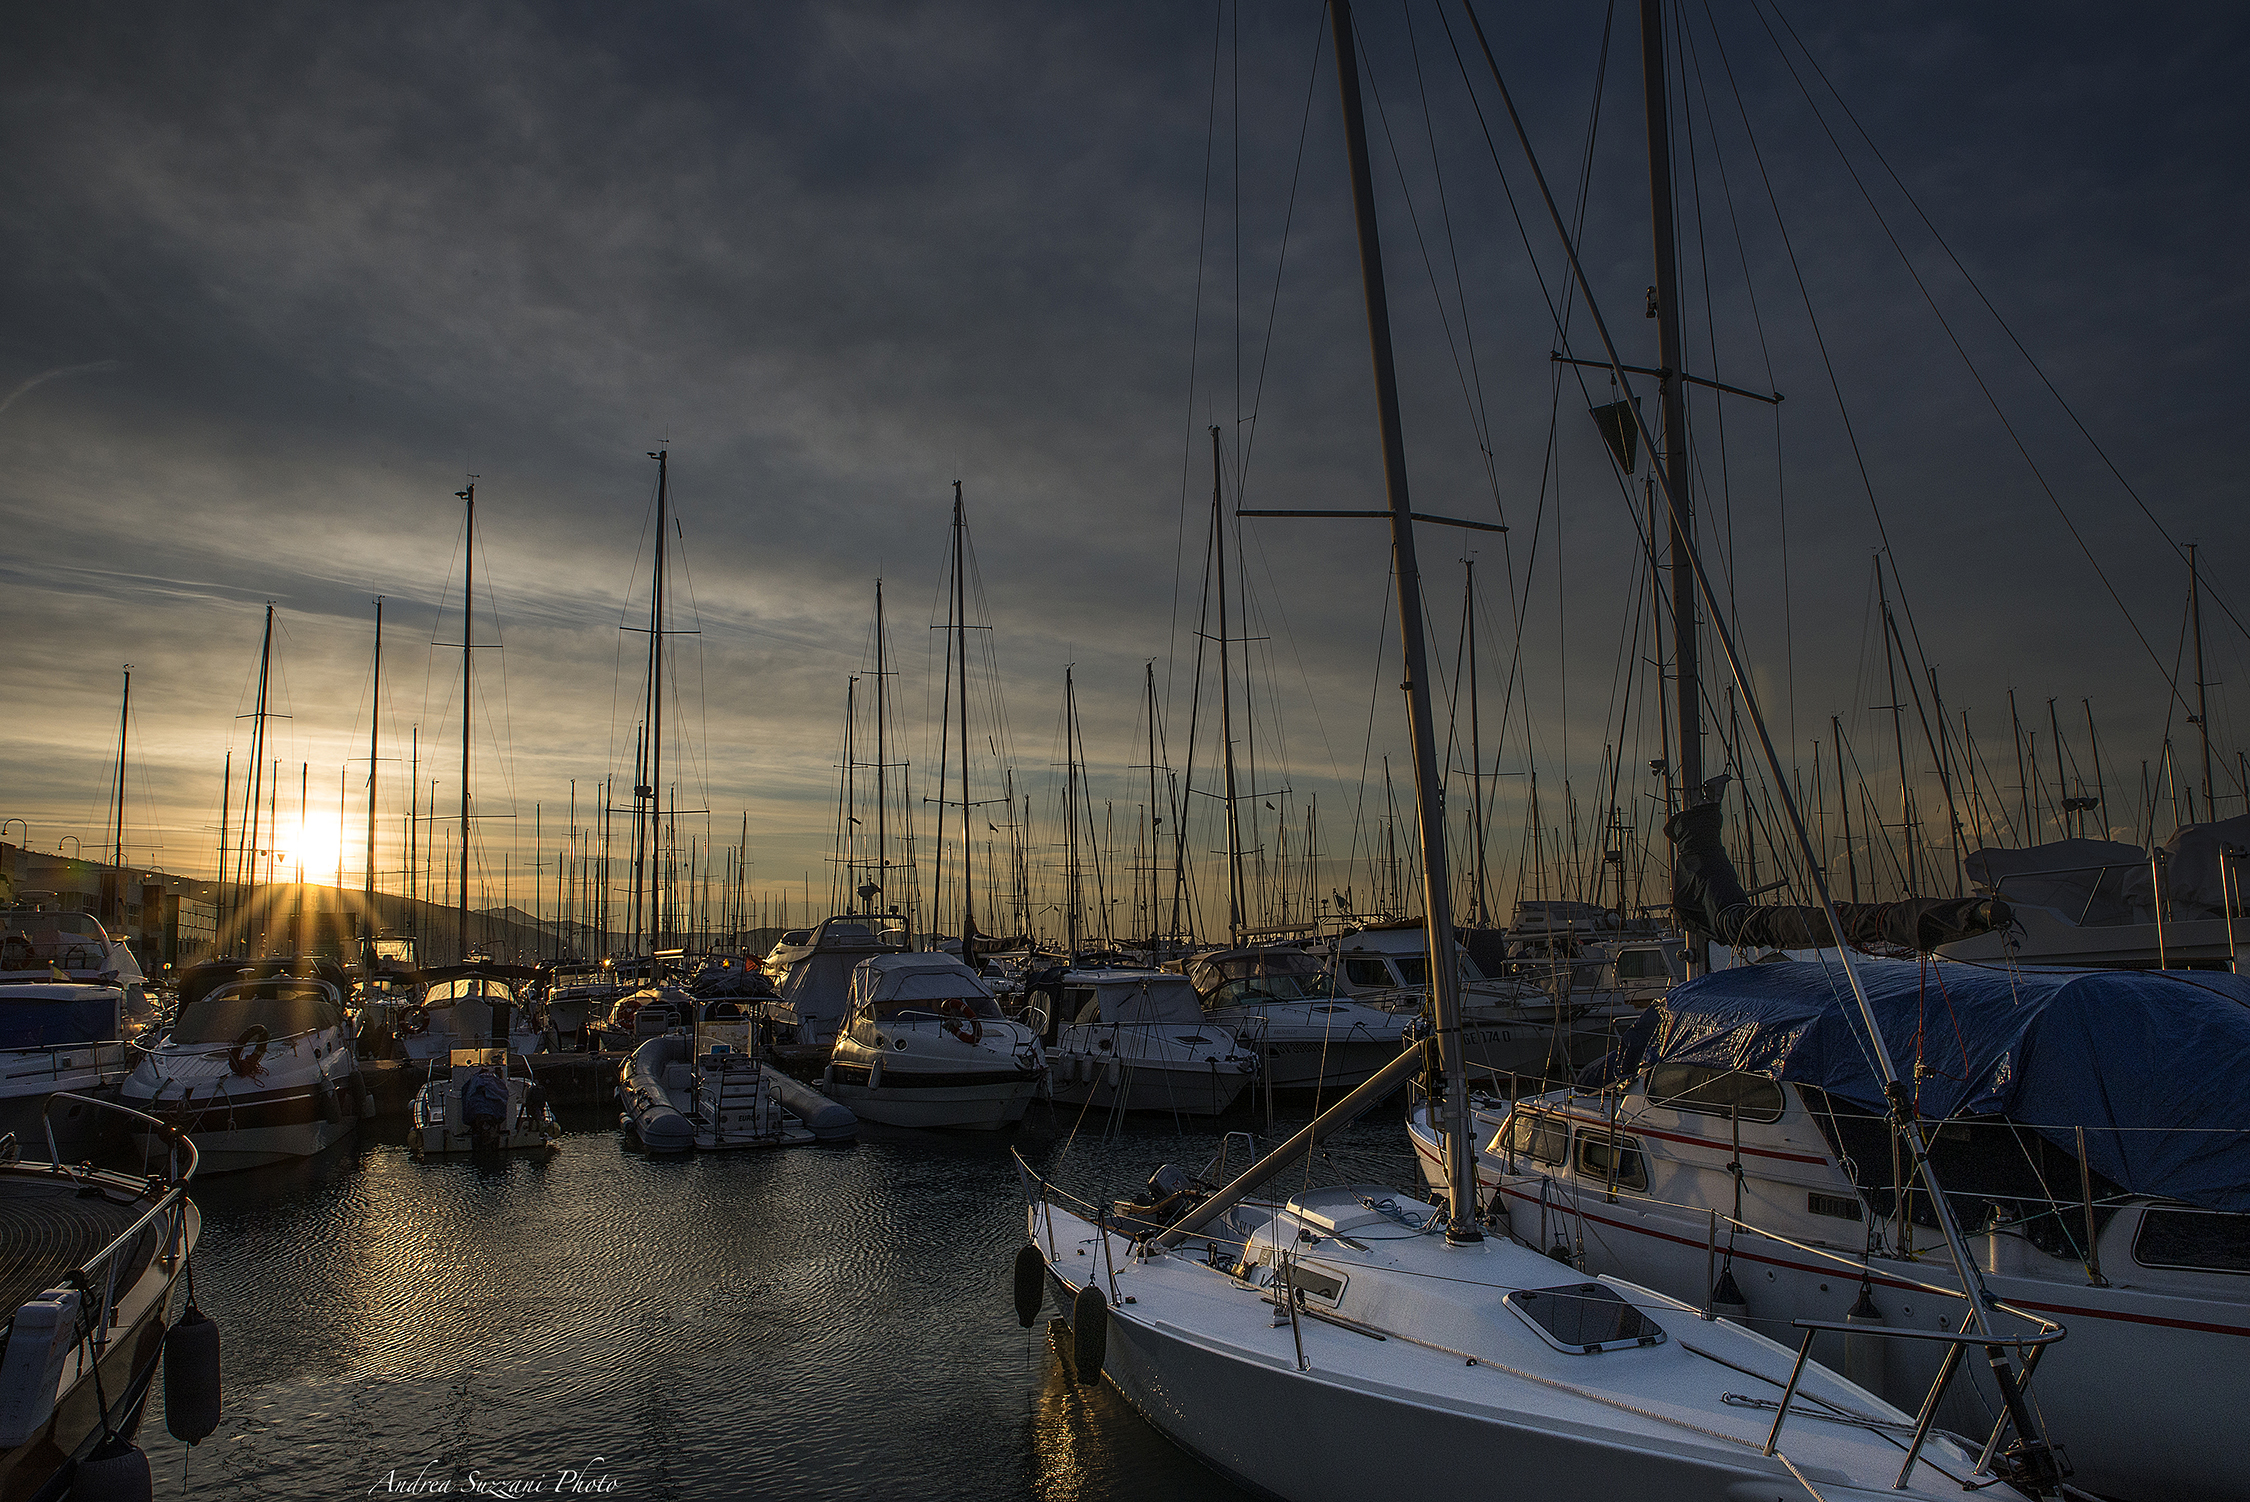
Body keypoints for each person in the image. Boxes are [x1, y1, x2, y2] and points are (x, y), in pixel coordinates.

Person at [463, 1064, 510, 1147]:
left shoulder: (475, 1080)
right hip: (488, 1110)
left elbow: (467, 1092)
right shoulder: (495, 1081)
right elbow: (502, 1093)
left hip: (480, 1110)